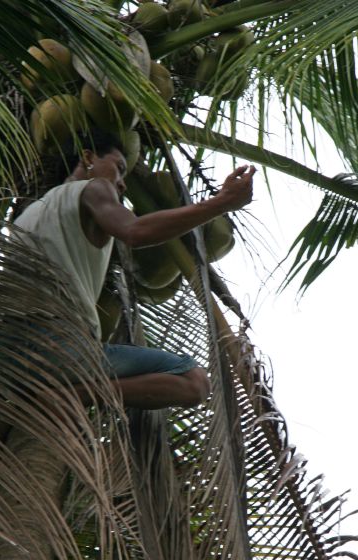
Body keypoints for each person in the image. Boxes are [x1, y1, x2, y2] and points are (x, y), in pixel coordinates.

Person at [14, 129, 256, 410]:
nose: (122, 184)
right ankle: (66, 398)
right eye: (118, 169)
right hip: (60, 346)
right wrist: (222, 202)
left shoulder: (28, 214)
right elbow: (134, 230)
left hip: (5, 349)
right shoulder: (94, 188)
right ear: (88, 157)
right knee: (195, 381)